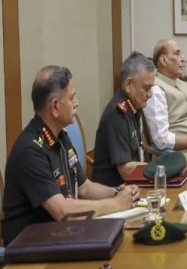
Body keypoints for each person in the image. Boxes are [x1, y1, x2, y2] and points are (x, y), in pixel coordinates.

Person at [1, 66, 140, 245]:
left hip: (58, 235)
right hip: (29, 247)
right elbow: (63, 211)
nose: (77, 102)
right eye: (72, 97)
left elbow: (85, 188)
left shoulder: (60, 137)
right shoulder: (30, 150)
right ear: (55, 106)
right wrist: (116, 204)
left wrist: (119, 192)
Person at [92, 52, 155, 187]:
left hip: (133, 185)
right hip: (113, 191)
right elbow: (126, 170)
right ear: (128, 85)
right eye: (146, 88)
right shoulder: (117, 115)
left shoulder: (134, 105)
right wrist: (159, 169)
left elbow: (141, 148)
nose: (150, 94)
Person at [145, 39, 187, 151]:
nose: (182, 58)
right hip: (177, 154)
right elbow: (161, 139)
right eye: (177, 53)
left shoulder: (183, 85)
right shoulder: (156, 89)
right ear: (163, 60)